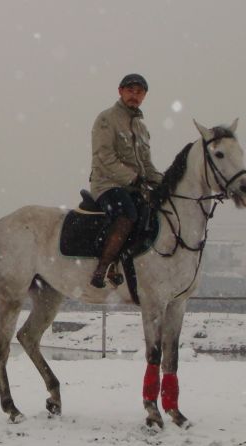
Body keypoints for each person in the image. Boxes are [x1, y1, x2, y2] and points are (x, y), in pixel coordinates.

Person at [89, 74, 163, 288]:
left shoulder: (141, 128)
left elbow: (146, 165)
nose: (135, 95)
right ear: (120, 91)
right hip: (107, 184)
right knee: (127, 213)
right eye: (130, 90)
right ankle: (103, 268)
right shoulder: (106, 119)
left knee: (151, 214)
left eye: (139, 92)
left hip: (133, 187)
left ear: (144, 96)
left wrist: (164, 182)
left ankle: (126, 262)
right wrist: (133, 179)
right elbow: (105, 157)